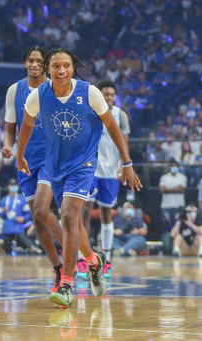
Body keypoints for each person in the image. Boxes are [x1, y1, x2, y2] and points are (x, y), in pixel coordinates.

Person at [17, 47, 141, 307]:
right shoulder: (38, 96)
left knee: (69, 216)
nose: (61, 70)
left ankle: (66, 285)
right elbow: (26, 125)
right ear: (48, 69)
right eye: (55, 66)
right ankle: (94, 262)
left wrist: (126, 162)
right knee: (74, 225)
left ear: (73, 67)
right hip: (55, 165)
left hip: (83, 165)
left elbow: (112, 127)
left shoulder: (90, 92)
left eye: (66, 65)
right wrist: (20, 155)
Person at [2, 46, 65, 292]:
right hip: (24, 161)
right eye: (31, 60)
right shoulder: (14, 90)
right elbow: (10, 131)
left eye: (40, 61)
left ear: (46, 65)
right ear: (25, 63)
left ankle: (74, 253)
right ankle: (58, 269)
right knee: (38, 221)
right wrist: (8, 147)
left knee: (41, 209)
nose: (35, 64)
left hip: (51, 158)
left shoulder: (56, 88)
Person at [81, 80, 130, 279]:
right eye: (105, 94)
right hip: (91, 170)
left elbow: (124, 144)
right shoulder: (90, 112)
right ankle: (83, 260)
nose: (109, 97)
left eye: (111, 94)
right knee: (84, 211)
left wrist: (123, 166)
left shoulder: (121, 115)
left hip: (111, 171)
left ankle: (106, 260)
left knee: (106, 213)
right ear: (99, 95)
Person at [0, 179, 41, 254]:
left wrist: (23, 218)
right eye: (11, 185)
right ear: (8, 187)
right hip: (7, 228)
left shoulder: (22, 199)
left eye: (15, 185)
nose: (13, 187)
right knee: (6, 246)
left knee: (23, 237)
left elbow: (28, 213)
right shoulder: (4, 200)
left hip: (18, 227)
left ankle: (32, 248)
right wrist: (3, 211)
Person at [160, 160, 187, 228]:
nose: (174, 167)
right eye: (172, 166)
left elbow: (181, 190)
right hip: (166, 205)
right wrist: (176, 189)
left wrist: (167, 189)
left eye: (175, 166)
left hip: (178, 205)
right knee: (166, 225)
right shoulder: (164, 177)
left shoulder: (182, 177)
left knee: (178, 226)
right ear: (170, 167)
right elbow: (162, 190)